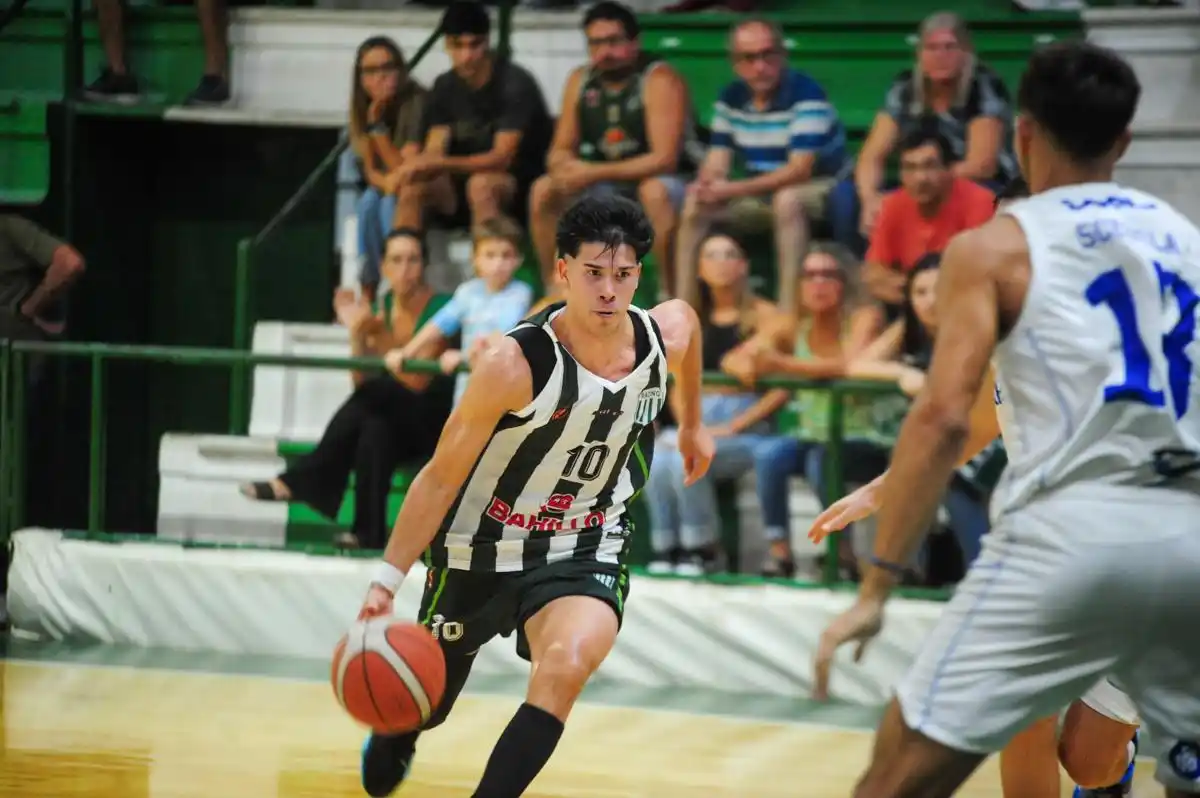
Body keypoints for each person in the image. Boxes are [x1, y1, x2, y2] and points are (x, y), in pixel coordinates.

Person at [809, 40, 1200, 798]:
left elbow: (945, 418)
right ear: (1123, 141)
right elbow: (991, 414)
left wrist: (876, 586)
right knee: (1091, 760)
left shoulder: (995, 246)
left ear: (1022, 133)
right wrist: (884, 487)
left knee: (896, 769)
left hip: (1073, 534)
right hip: (1188, 533)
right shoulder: (1187, 242)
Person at [355, 194, 714, 798]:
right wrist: (385, 581)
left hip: (585, 538)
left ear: (637, 277)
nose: (608, 290)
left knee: (566, 667)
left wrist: (695, 421)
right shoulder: (512, 363)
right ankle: (400, 732)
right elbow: (441, 477)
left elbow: (691, 330)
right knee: (427, 702)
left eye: (623, 276)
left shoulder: (662, 335)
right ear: (562, 270)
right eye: (594, 274)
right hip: (482, 543)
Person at [812, 176, 1144, 798]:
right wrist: (884, 489)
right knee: (1017, 717)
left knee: (1088, 761)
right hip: (1040, 558)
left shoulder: (1123, 326)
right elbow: (967, 428)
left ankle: (1116, 770)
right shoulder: (998, 336)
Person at [239, 229, 455, 550]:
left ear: (423, 265)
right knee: (374, 429)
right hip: (392, 418)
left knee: (378, 400)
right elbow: (360, 381)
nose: (405, 268)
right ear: (383, 267)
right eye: (396, 260)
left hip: (430, 422)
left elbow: (414, 382)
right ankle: (367, 535)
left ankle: (303, 480)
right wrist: (356, 333)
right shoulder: (381, 304)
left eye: (413, 259)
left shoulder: (442, 307)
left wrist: (375, 332)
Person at [384, 215, 534, 407]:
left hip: (503, 391)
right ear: (475, 259)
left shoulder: (520, 293)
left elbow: (505, 334)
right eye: (490, 255)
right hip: (468, 392)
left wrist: (462, 357)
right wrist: (407, 352)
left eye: (506, 255)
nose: (498, 264)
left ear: (517, 260)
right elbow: (439, 324)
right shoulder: (468, 291)